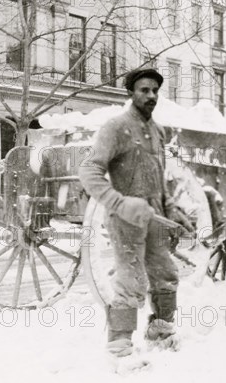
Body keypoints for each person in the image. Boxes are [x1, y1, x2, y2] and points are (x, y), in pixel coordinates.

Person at [79, 68, 195, 358]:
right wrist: (119, 203)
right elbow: (89, 171)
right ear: (130, 92)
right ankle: (119, 344)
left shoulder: (157, 132)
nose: (151, 95)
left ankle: (161, 329)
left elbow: (160, 176)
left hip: (154, 216)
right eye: (144, 90)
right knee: (130, 279)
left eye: (155, 90)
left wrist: (172, 209)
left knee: (166, 274)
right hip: (125, 218)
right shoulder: (115, 128)